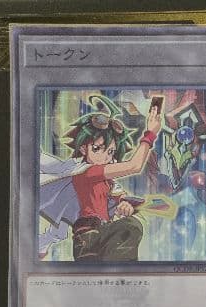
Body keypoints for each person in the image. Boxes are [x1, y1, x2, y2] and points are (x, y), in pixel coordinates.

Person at [39, 94, 164, 261]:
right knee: (131, 227)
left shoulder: (109, 184)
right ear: (83, 149)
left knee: (129, 228)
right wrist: (150, 134)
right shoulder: (87, 172)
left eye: (111, 151)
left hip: (100, 237)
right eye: (97, 148)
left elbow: (119, 202)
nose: (105, 156)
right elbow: (134, 166)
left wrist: (125, 206)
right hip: (89, 237)